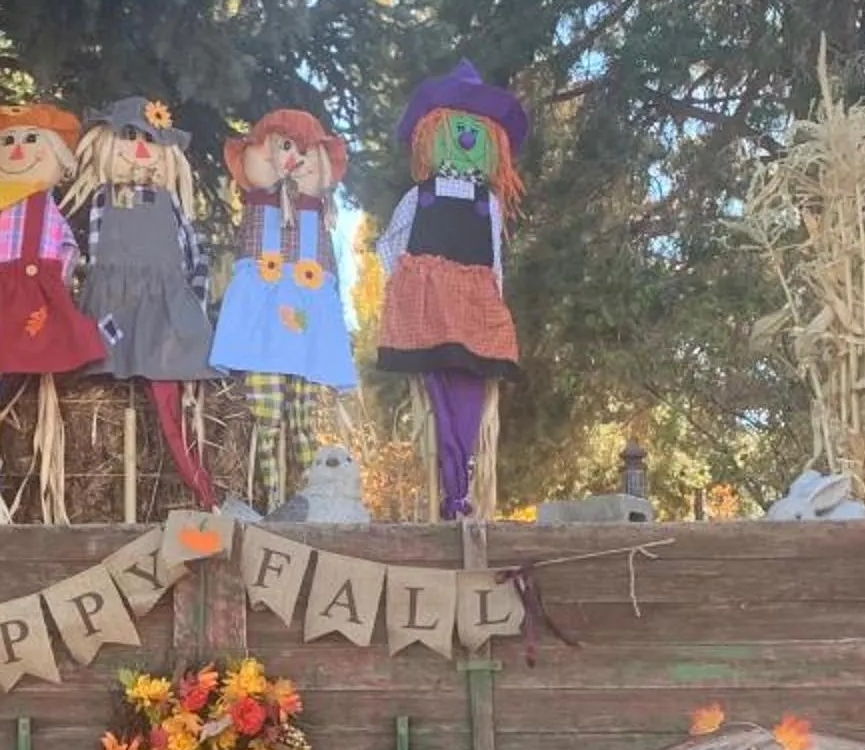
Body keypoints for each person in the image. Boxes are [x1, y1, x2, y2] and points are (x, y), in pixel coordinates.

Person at [0, 101, 104, 522]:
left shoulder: (47, 210)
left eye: (31, 140)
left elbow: (67, 251)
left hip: (31, 307)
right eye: (6, 141)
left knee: (22, 378)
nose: (17, 150)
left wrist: (54, 289)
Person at [375, 61, 526, 521]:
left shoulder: (491, 205)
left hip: (474, 311)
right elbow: (390, 247)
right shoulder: (418, 197)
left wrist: (491, 303)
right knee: (435, 398)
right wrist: (408, 285)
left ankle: (461, 490)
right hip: (427, 308)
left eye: (474, 131)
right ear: (432, 134)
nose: (465, 138)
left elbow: (495, 265)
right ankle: (447, 486)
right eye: (456, 129)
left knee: (467, 398)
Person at [69, 96, 220, 510]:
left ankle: (200, 489)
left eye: (149, 139)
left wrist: (193, 302)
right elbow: (87, 258)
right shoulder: (102, 198)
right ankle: (100, 500)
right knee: (97, 398)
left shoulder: (170, 202)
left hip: (162, 308)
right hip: (115, 305)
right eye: (128, 136)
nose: (139, 148)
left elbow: (193, 252)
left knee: (168, 397)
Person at [209, 106, 358, 511]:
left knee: (303, 421)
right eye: (284, 146)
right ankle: (269, 501)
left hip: (306, 334)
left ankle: (307, 503)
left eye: (303, 150)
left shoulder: (320, 216)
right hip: (263, 332)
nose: (293, 159)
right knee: (265, 418)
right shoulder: (257, 206)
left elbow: (330, 288)